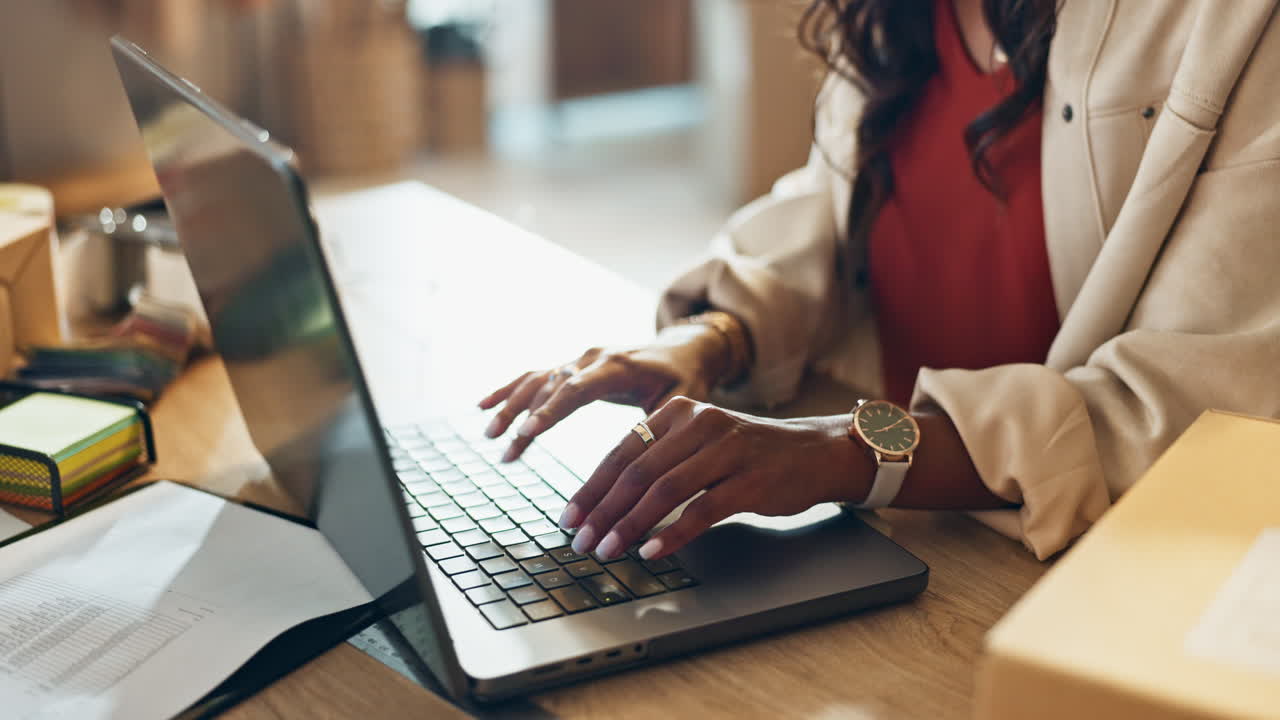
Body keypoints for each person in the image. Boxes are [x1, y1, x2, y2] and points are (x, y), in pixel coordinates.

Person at [481, 0, 1280, 563]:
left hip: (1079, 575)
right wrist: (711, 337)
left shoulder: (1236, 23)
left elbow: (1195, 410)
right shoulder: (898, 14)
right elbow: (834, 209)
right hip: (903, 537)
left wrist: (841, 450)